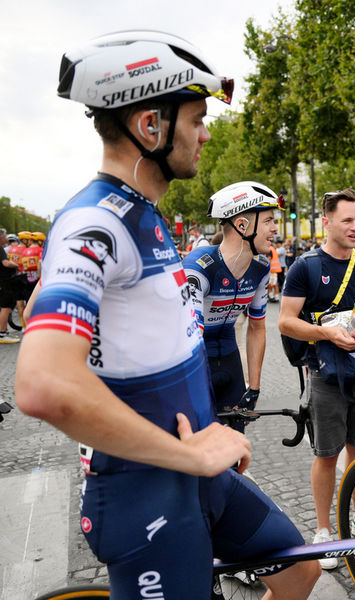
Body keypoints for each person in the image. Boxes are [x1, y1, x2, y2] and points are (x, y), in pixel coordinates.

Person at [15, 31, 318, 597]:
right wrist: (187, 451)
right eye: (197, 119)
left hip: (197, 472)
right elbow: (41, 383)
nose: (206, 135)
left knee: (300, 569)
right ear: (150, 126)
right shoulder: (95, 223)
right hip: (143, 489)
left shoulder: (143, 212)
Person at [278, 188, 355, 569]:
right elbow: (285, 321)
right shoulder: (305, 267)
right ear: (326, 221)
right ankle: (323, 530)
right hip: (326, 375)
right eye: (347, 220)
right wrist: (328, 333)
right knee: (327, 454)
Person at [184, 181, 282, 432]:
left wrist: (255, 388)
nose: (275, 228)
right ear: (242, 225)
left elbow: (257, 328)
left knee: (235, 447)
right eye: (269, 220)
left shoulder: (260, 269)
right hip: (194, 362)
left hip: (229, 361)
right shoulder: (199, 267)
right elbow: (191, 337)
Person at [0, 230, 21, 343]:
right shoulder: (0, 249)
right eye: (5, 237)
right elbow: (6, 263)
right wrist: (16, 265)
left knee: (4, 307)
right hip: (4, 282)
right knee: (6, 308)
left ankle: (3, 332)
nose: (7, 239)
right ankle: (2, 334)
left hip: (2, 282)